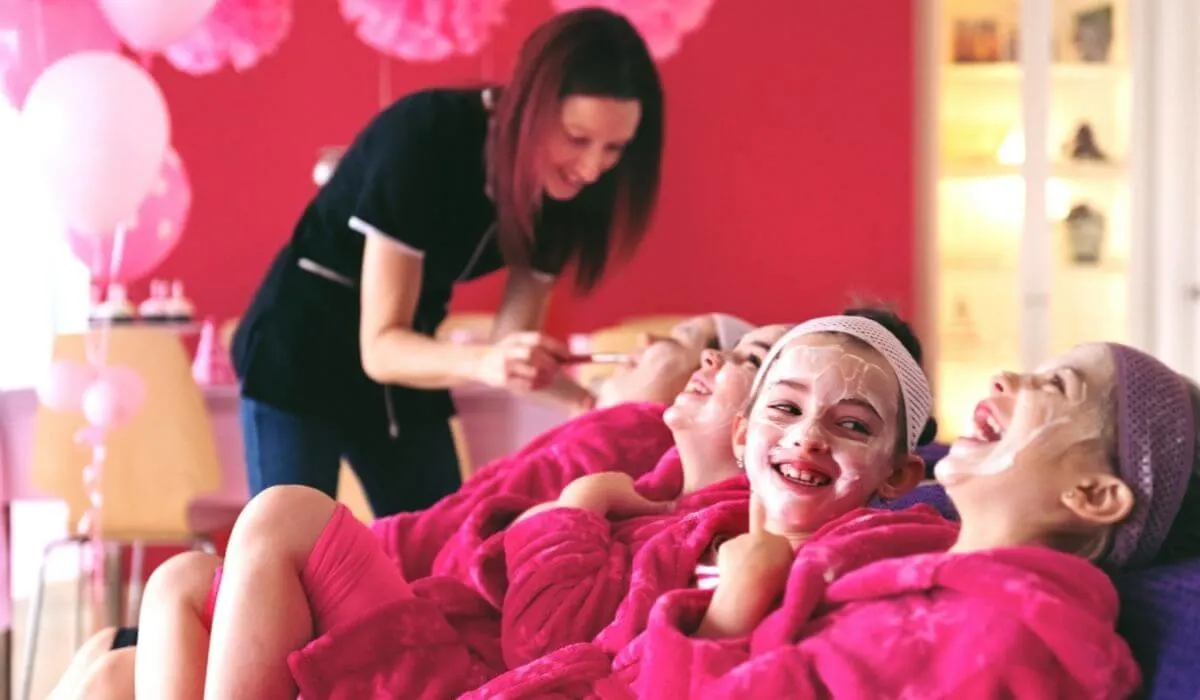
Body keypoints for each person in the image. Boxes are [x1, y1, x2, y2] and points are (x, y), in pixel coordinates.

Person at [47, 311, 752, 699]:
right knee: (143, 626)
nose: (684, 355)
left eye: (700, 348)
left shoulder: (637, 454)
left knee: (271, 523)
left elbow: (533, 608)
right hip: (430, 594)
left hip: (449, 638)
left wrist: (585, 490)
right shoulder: (648, 469)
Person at [564, 341, 1200, 698]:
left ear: (1093, 495)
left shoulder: (997, 636)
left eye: (1055, 387)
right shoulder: (910, 578)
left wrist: (733, 605)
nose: (1007, 375)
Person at [231, 7, 664, 517]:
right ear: (530, 108)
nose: (593, 167)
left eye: (615, 148)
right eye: (577, 138)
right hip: (299, 350)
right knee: (291, 550)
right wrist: (485, 362)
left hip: (410, 362)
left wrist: (591, 398)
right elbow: (381, 347)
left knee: (439, 547)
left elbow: (510, 350)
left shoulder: (564, 194)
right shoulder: (425, 139)